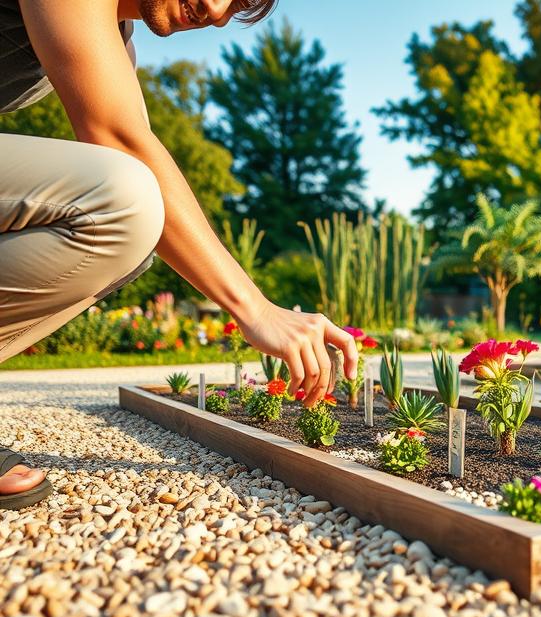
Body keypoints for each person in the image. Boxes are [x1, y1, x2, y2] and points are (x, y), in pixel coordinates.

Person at [0, 0, 359, 510]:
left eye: (234, 7)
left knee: (136, 232)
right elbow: (119, 145)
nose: (214, 12)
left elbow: (137, 147)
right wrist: (255, 311)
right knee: (120, 201)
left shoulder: (114, 31)